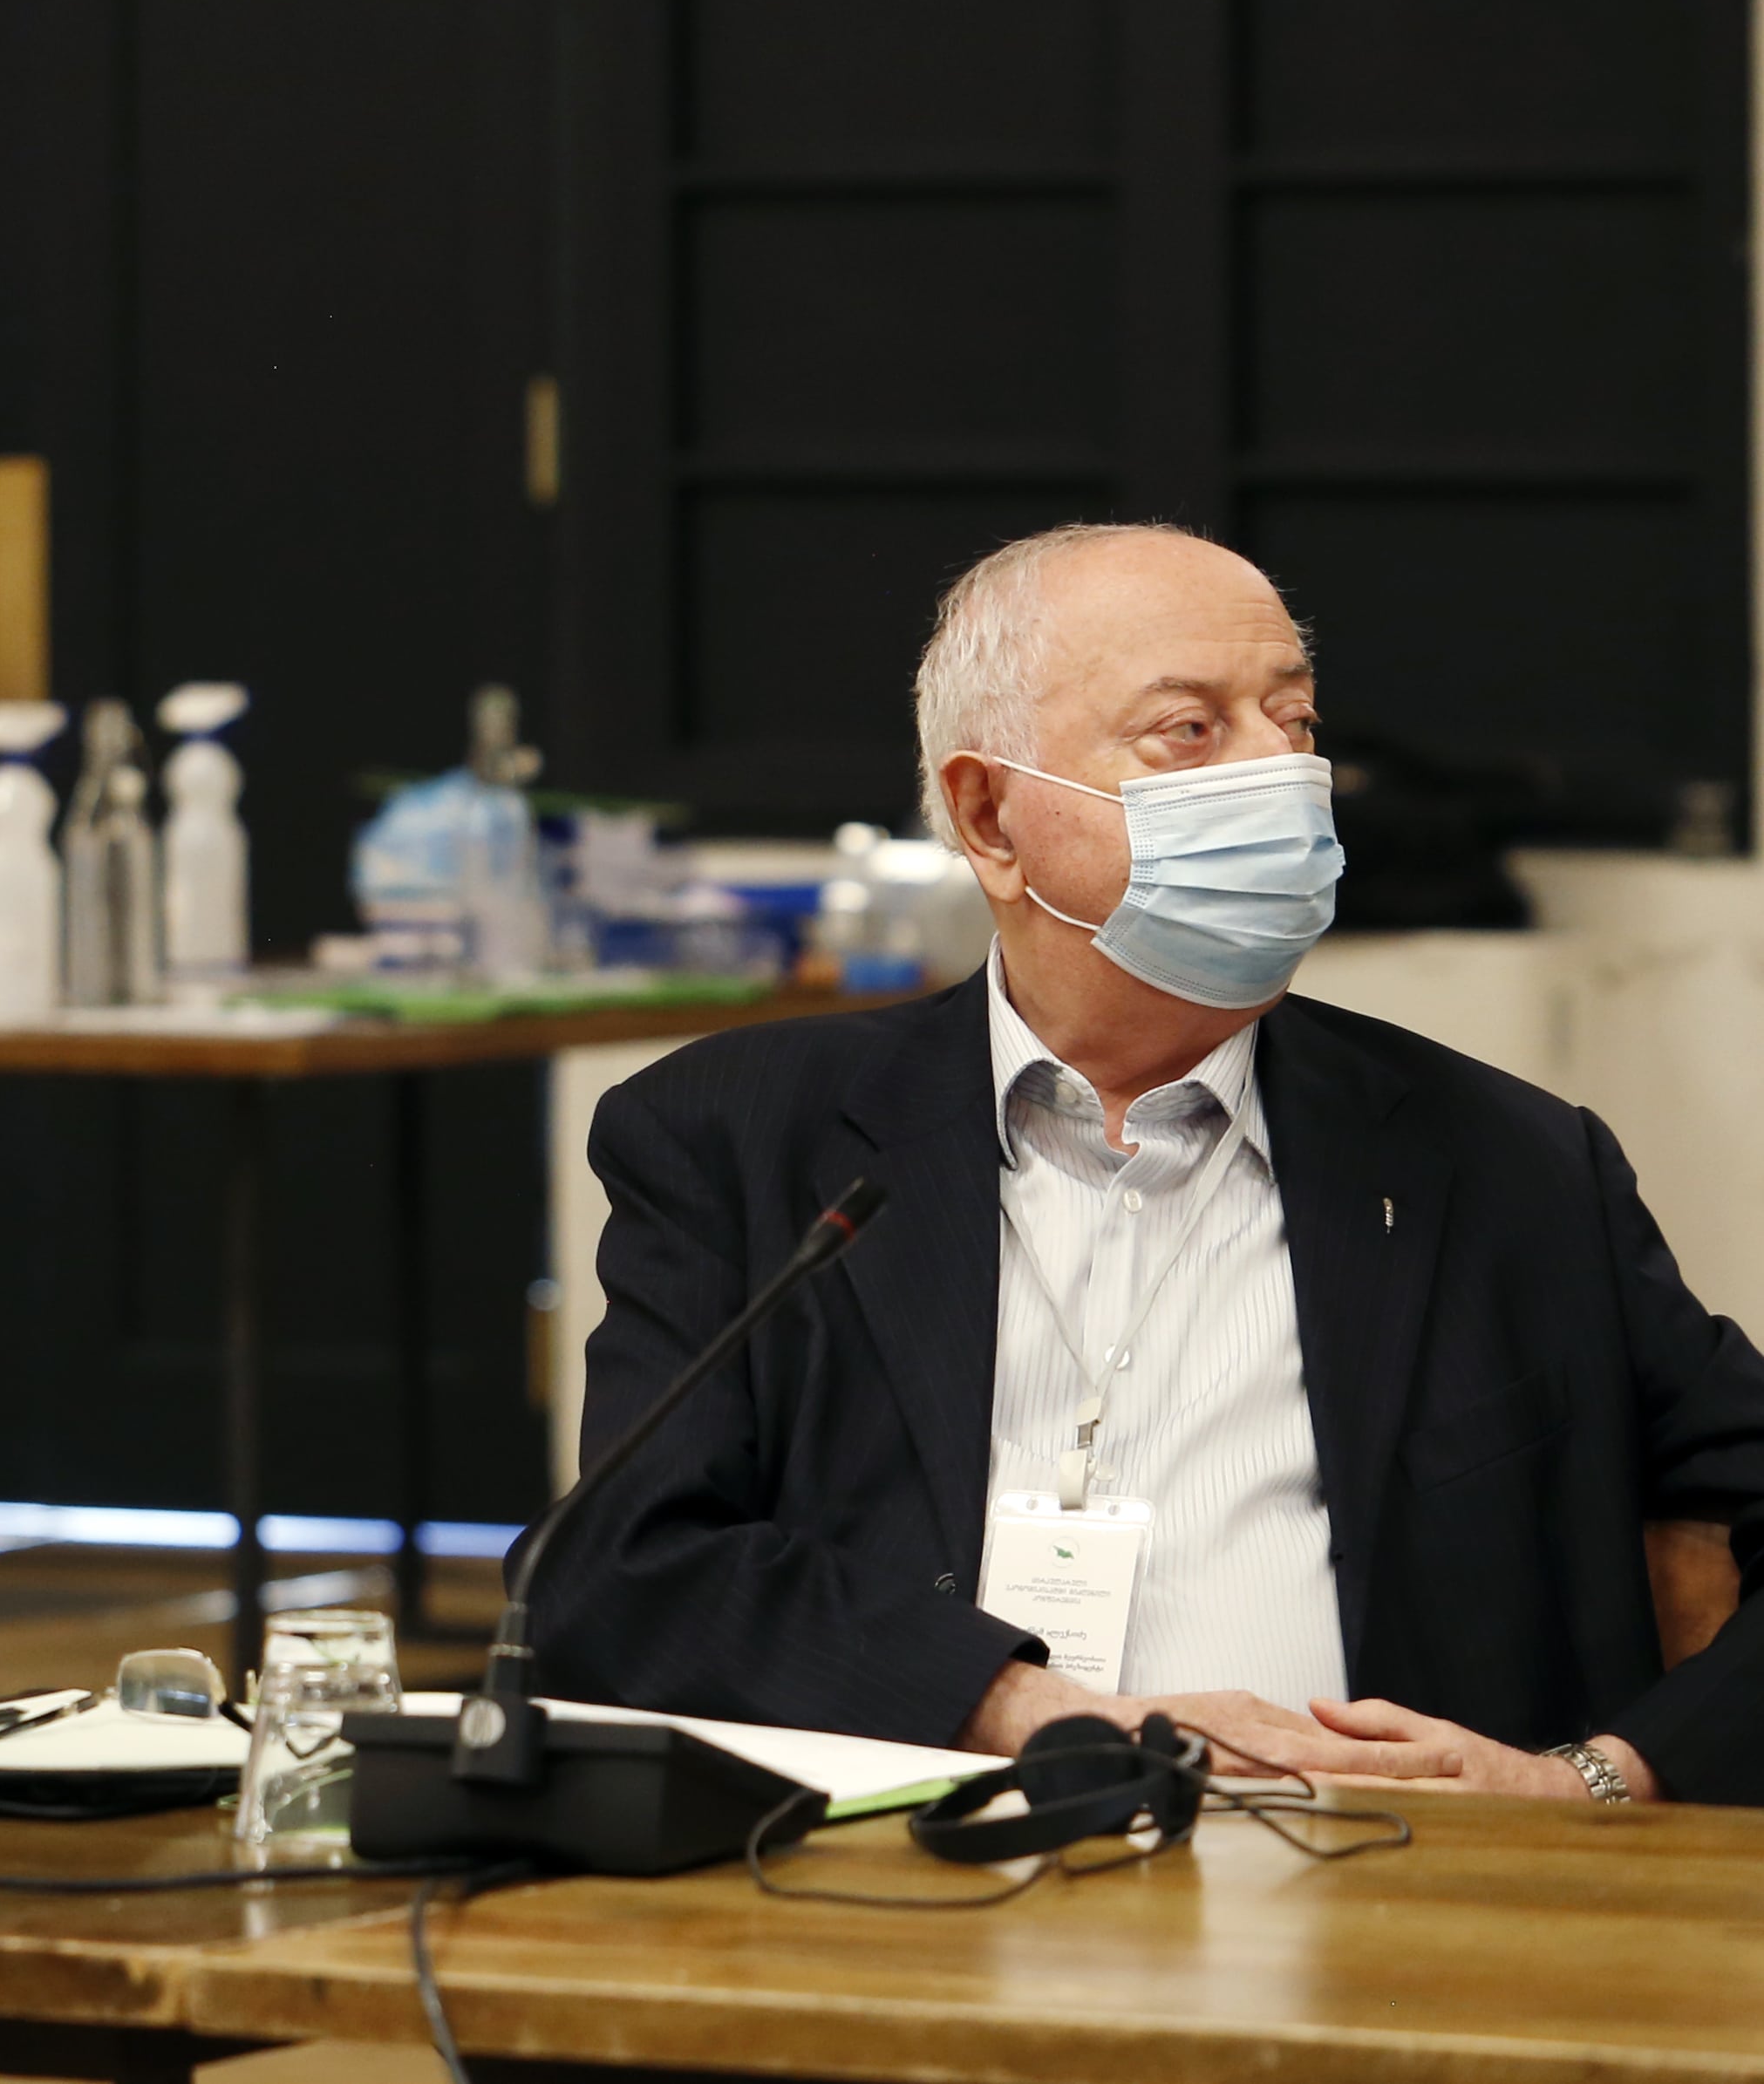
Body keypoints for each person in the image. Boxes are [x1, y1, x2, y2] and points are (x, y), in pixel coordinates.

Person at [541, 521, 1764, 1804]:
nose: (1281, 773)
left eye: (1293, 719)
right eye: (1189, 730)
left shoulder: (1510, 1163)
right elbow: (619, 1571)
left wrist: (1596, 1779)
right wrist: (1028, 1711)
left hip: (1386, 1880)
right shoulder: (741, 1135)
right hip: (915, 1867)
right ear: (990, 815)